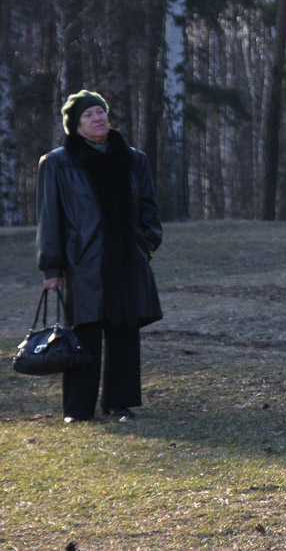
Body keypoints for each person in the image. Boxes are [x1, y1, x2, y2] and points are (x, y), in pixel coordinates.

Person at [36, 90, 163, 423]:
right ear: (76, 126)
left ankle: (119, 403)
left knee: (124, 330)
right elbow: (51, 218)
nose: (98, 118)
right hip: (83, 261)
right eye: (88, 115)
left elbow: (149, 209)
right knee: (83, 334)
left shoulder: (135, 159)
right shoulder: (57, 163)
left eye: (101, 112)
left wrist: (146, 244)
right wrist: (52, 266)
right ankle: (78, 410)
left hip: (127, 259)